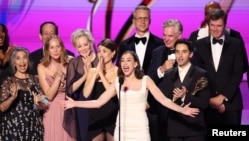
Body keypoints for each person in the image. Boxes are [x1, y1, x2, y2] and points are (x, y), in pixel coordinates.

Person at [61, 50, 200, 141]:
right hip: (122, 130)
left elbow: (163, 100)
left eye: (128, 60)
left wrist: (183, 110)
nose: (125, 63)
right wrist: (74, 103)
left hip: (140, 129)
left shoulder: (146, 80)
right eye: (122, 60)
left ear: (135, 64)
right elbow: (98, 102)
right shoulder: (118, 81)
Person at [116, 6, 164, 141]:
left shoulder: (160, 44)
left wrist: (148, 99)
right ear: (134, 21)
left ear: (150, 20)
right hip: (132, 105)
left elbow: (164, 76)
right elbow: (120, 74)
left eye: (145, 18)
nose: (142, 21)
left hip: (154, 104)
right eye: (139, 18)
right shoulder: (125, 44)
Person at [193, 9, 245, 125]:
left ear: (225, 25)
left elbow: (238, 73)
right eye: (212, 25)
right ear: (208, 24)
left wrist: (222, 97)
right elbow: (197, 74)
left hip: (231, 103)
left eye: (219, 25)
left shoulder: (236, 44)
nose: (215, 29)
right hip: (207, 103)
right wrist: (210, 99)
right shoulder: (199, 45)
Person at [158, 39, 210, 141]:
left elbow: (204, 103)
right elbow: (163, 100)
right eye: (177, 52)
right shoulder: (168, 75)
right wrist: (174, 98)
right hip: (175, 128)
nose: (180, 55)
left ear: (191, 54)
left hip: (194, 128)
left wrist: (185, 97)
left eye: (184, 52)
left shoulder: (201, 74)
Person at [0, 47, 49, 141]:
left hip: (33, 127)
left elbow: (45, 103)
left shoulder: (36, 79)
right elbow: (2, 107)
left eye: (24, 57)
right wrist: (12, 98)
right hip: (13, 128)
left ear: (28, 60)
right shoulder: (9, 82)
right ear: (14, 62)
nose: (22, 61)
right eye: (18, 58)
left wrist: (38, 103)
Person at [147, 19, 183, 141]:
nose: (166, 39)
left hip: (183, 110)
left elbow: (199, 78)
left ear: (179, 35)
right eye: (164, 35)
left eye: (170, 36)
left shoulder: (190, 52)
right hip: (161, 111)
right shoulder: (157, 52)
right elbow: (149, 78)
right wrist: (161, 69)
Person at [37, 35, 76, 141]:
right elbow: (48, 96)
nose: (55, 50)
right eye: (52, 47)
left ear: (62, 48)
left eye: (58, 46)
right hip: (52, 109)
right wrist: (58, 78)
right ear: (47, 50)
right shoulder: (42, 67)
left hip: (68, 107)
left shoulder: (70, 63)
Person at [66, 28, 98, 141]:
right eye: (79, 46)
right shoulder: (74, 63)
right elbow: (69, 90)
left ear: (91, 43)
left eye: (85, 44)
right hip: (81, 108)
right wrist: (85, 75)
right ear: (75, 48)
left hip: (99, 105)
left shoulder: (101, 60)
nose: (83, 48)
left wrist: (92, 71)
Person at [83, 38, 118, 141]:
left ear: (113, 53)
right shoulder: (92, 71)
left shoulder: (119, 71)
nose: (101, 54)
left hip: (112, 116)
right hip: (95, 116)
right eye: (99, 51)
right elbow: (86, 94)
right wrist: (95, 74)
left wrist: (102, 75)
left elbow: (112, 93)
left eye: (104, 51)